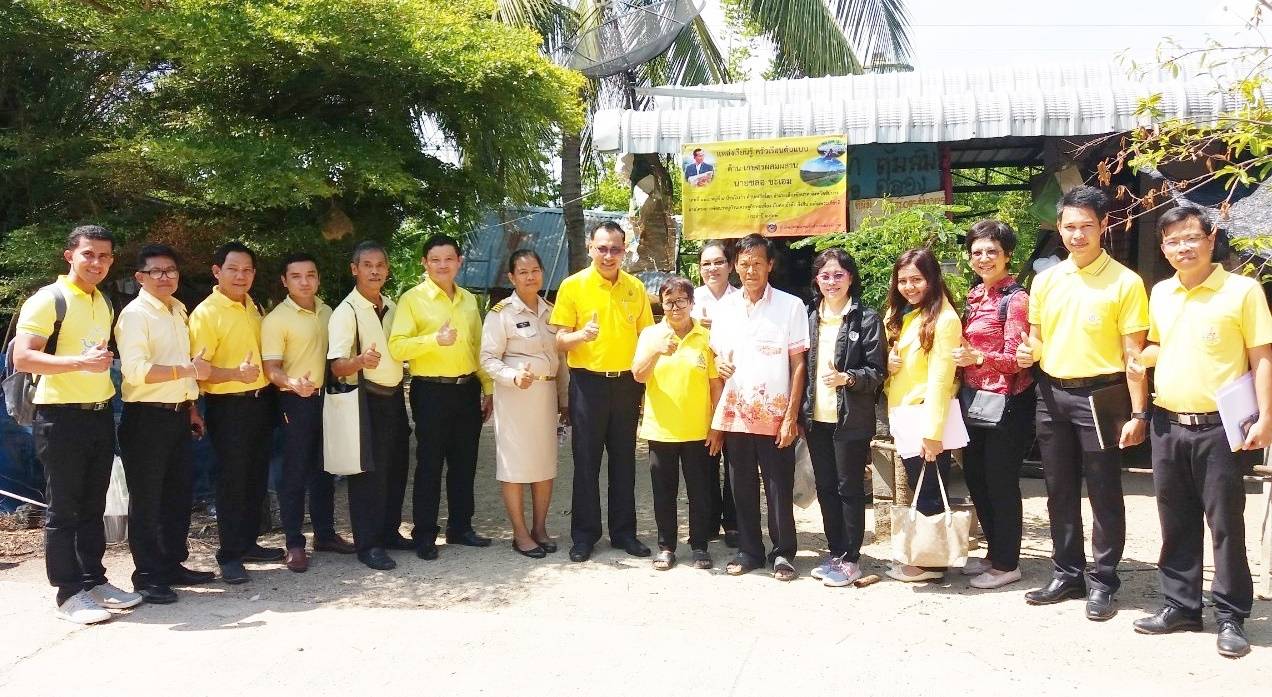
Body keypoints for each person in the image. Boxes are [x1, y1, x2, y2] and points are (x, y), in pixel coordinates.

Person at [1130, 205, 1271, 658]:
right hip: (1168, 423)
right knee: (1175, 519)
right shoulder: (1161, 292)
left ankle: (1230, 615)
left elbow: (1261, 357)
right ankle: (1181, 605)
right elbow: (1160, 343)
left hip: (1221, 427)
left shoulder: (1242, 291)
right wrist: (1143, 358)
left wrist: (1267, 416)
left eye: (1191, 237)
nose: (1183, 247)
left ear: (1211, 239)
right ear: (1163, 247)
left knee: (1225, 523)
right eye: (1172, 241)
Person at [1017, 186, 1149, 621]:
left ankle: (1104, 580)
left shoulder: (1126, 283)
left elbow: (1134, 355)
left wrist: (1138, 413)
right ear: (1059, 227)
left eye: (1086, 226)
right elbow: (1037, 339)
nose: (1077, 235)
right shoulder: (1046, 280)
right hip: (1051, 393)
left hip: (1101, 395)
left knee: (1104, 490)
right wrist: (1028, 352)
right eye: (1070, 226)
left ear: (1103, 225)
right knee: (1058, 489)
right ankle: (1067, 573)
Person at [12, 225, 141, 623]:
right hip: (60, 416)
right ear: (70, 255)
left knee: (92, 506)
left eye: (104, 256)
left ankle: (94, 580)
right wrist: (79, 363)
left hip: (98, 413)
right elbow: (23, 357)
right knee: (64, 509)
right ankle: (68, 593)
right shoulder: (48, 300)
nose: (96, 262)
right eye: (88, 254)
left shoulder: (103, 302)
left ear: (112, 261)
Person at [114, 244, 216, 604]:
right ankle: (147, 575)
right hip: (146, 418)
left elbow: (182, 365)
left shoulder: (177, 309)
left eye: (170, 270)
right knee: (148, 500)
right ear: (139, 277)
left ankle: (172, 564)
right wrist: (188, 370)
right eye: (155, 271)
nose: (164, 277)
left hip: (177, 415)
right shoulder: (135, 315)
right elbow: (135, 371)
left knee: (177, 495)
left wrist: (191, 407)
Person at [550, 221, 655, 563]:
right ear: (590, 247)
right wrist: (581, 335)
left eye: (615, 249)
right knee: (586, 462)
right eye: (602, 248)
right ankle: (584, 536)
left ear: (624, 251)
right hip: (588, 384)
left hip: (627, 384)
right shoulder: (573, 285)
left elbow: (647, 338)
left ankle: (624, 533)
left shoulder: (635, 287)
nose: (609, 255)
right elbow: (559, 340)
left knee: (624, 461)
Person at [708, 234, 808, 581]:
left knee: (779, 487)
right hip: (736, 415)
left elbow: (798, 365)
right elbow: (717, 357)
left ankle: (783, 553)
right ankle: (749, 551)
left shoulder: (791, 306)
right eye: (744, 264)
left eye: (757, 264)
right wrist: (718, 366)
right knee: (742, 487)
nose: (750, 270)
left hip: (775, 415)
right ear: (735, 266)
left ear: (770, 265)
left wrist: (791, 417)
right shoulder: (725, 309)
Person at [389, 234, 494, 559]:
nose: (442, 265)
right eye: (435, 260)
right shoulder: (412, 299)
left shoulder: (468, 300)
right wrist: (434, 339)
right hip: (430, 391)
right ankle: (424, 534)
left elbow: (477, 347)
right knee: (430, 464)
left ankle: (460, 528)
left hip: (467, 389)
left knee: (465, 462)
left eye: (449, 259)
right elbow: (397, 347)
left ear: (459, 262)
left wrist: (488, 387)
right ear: (425, 263)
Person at [188, 241, 281, 584]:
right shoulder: (206, 314)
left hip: (260, 402)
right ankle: (228, 555)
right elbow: (198, 370)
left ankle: (248, 544)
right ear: (217, 272)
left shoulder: (252, 305)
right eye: (233, 269)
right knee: (231, 482)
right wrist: (234, 375)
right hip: (229, 407)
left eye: (247, 270)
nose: (241, 276)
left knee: (255, 477)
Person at [953, 221, 1035, 589]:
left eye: (992, 251)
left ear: (1007, 255)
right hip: (974, 400)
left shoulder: (1015, 300)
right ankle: (993, 553)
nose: (983, 258)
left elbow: (1017, 359)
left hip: (1006, 404)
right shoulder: (975, 295)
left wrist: (978, 357)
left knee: (1000, 482)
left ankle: (1007, 563)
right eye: (977, 252)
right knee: (977, 479)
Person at [261, 253, 354, 573]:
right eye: (296, 276)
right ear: (284, 281)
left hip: (326, 399)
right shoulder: (276, 319)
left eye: (310, 275)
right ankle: (294, 543)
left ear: (318, 278)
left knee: (324, 469)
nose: (304, 282)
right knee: (294, 473)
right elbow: (271, 368)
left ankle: (325, 535)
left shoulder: (328, 312)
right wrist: (292, 383)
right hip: (294, 401)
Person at [802, 248, 885, 588]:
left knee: (849, 488)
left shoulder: (866, 319)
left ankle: (851, 559)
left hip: (850, 420)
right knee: (825, 488)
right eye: (825, 275)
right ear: (816, 280)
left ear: (851, 278)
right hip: (815, 419)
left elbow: (876, 372)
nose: (832, 282)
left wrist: (847, 378)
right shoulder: (809, 317)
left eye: (838, 275)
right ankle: (835, 552)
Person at [329, 240, 412, 571]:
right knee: (368, 475)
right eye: (367, 265)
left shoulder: (392, 305)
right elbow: (337, 366)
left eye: (380, 265)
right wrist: (360, 361)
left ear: (387, 270)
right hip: (365, 399)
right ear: (355, 269)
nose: (374, 271)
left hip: (394, 397)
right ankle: (369, 544)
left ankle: (389, 532)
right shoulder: (346, 311)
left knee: (396, 468)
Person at [479, 250, 568, 559]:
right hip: (515, 397)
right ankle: (520, 533)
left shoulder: (552, 312)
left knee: (544, 464)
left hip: (545, 395)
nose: (530, 277)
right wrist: (512, 376)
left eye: (535, 270)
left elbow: (561, 361)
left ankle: (540, 528)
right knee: (515, 466)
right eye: (523, 272)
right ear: (511, 277)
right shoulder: (501, 314)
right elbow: (488, 358)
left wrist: (565, 400)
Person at [883, 248, 964, 583]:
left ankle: (931, 565)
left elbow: (941, 380)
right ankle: (926, 558)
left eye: (916, 279)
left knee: (929, 489)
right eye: (902, 280)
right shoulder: (909, 314)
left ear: (932, 279)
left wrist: (933, 433)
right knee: (922, 484)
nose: (909, 286)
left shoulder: (944, 320)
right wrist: (889, 363)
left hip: (925, 417)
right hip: (907, 414)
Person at [632, 276, 724, 571]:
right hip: (661, 429)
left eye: (681, 301)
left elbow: (715, 385)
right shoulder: (651, 335)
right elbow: (638, 375)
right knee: (664, 493)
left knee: (700, 491)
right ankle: (666, 547)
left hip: (698, 430)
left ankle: (699, 546)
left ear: (692, 303)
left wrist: (717, 426)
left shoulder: (706, 337)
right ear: (662, 305)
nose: (675, 308)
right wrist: (656, 351)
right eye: (669, 302)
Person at [692, 240, 738, 547]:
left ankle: (733, 523)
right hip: (700, 388)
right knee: (704, 457)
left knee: (735, 457)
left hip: (735, 385)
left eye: (719, 262)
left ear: (730, 266)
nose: (713, 268)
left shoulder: (742, 298)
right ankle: (708, 521)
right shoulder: (690, 299)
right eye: (706, 263)